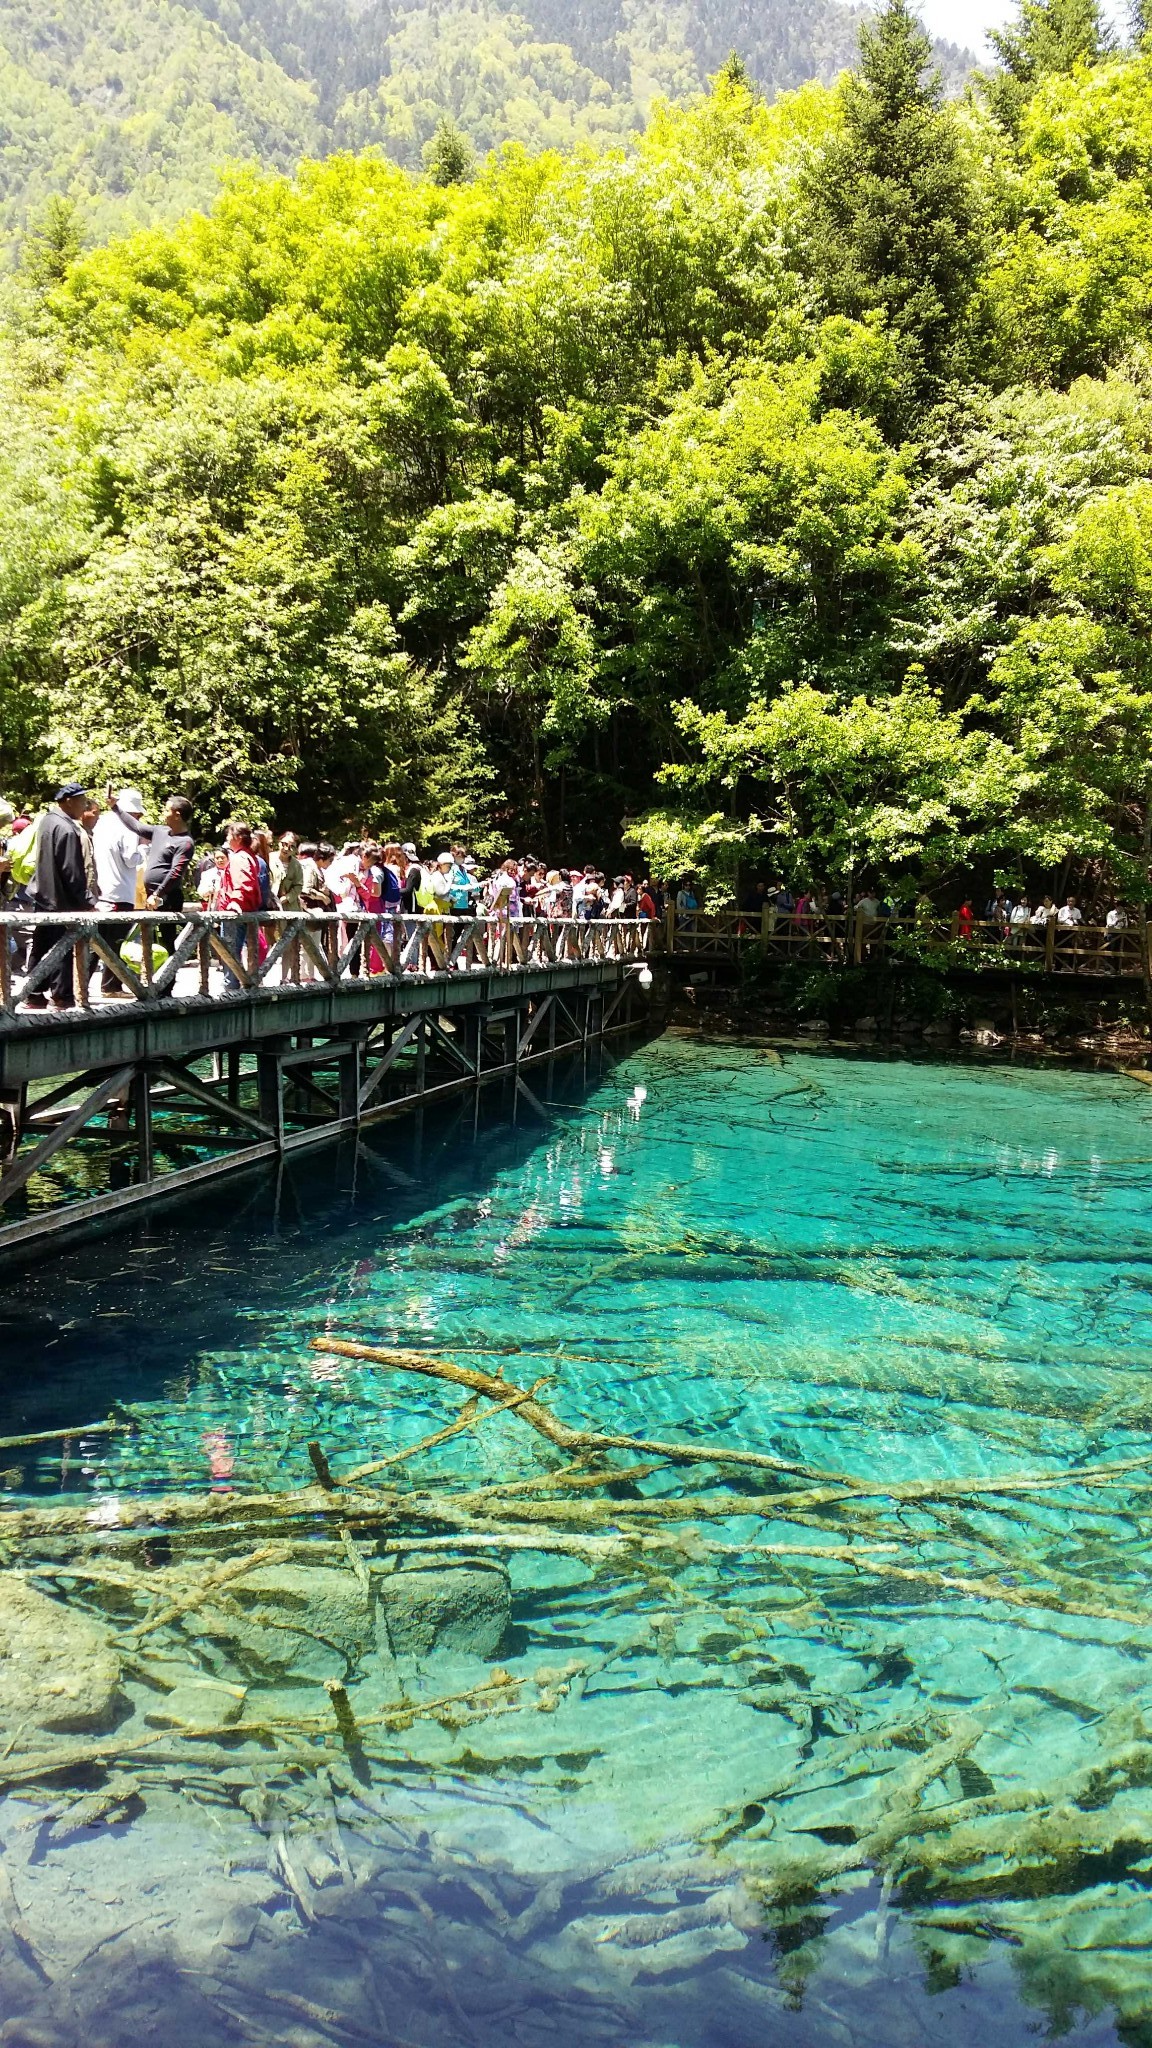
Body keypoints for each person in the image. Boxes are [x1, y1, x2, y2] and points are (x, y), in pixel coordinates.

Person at [24, 781, 92, 1011]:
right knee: (62, 948)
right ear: (69, 801)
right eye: (82, 800)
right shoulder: (66, 828)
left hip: (44, 895)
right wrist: (87, 901)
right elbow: (71, 871)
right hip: (60, 899)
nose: (85, 805)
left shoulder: (47, 821)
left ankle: (32, 993)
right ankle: (62, 996)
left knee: (42, 945)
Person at [93, 787, 148, 997]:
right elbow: (131, 858)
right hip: (120, 891)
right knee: (114, 942)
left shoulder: (102, 823)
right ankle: (111, 986)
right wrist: (144, 847)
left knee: (96, 941)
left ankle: (81, 984)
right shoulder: (127, 828)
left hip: (102, 888)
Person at [216, 821, 262, 989]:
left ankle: (231, 988)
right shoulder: (249, 855)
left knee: (230, 951)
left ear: (237, 838)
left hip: (235, 912)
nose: (227, 838)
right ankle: (236, 984)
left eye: (229, 835)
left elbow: (242, 882)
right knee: (232, 950)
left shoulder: (239, 857)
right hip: (245, 910)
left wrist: (235, 901)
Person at [143, 796, 195, 913]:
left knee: (168, 930)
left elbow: (176, 872)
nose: (163, 813)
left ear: (177, 815)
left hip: (168, 896)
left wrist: (158, 893)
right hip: (152, 895)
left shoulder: (185, 842)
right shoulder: (160, 831)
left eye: (167, 810)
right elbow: (136, 826)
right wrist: (115, 807)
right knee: (146, 927)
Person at [271, 832, 303, 911]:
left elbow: (298, 886)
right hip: (269, 903)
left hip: (289, 906)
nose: (286, 849)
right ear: (278, 842)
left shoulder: (296, 865)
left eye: (291, 846)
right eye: (284, 844)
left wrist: (286, 898)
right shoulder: (269, 859)